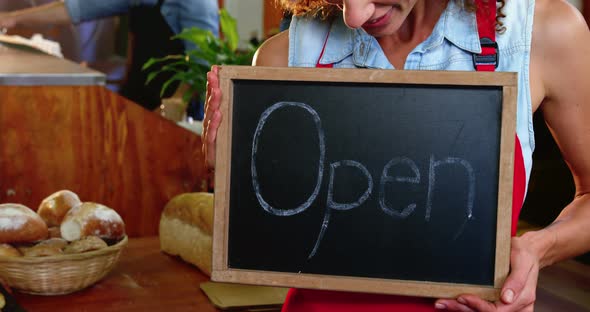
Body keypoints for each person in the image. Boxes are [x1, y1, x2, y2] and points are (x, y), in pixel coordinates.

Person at [204, 0, 590, 311]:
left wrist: (537, 250)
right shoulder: (281, 56)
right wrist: (232, 172)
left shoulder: (545, 34)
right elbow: (275, 227)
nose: (353, 15)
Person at [0, 0, 219, 111]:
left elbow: (204, 64)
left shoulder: (197, 3)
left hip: (172, 108)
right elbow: (77, 8)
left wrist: (175, 105)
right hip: (137, 98)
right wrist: (12, 19)